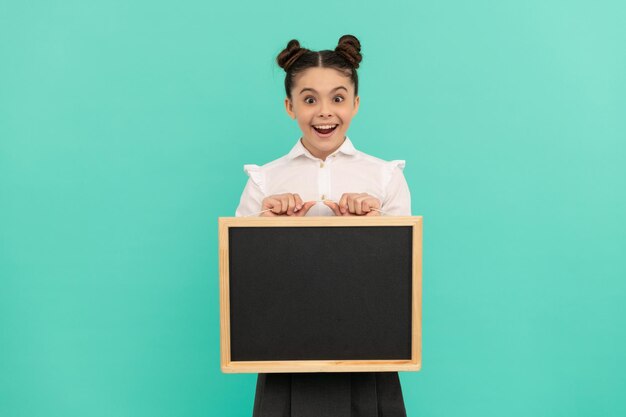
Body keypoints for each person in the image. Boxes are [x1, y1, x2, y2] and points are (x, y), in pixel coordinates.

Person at [235, 35, 411, 417]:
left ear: (356, 104)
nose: (324, 112)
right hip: (286, 352)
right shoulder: (264, 181)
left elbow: (399, 281)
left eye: (338, 98)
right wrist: (267, 227)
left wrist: (374, 227)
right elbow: (245, 284)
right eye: (309, 99)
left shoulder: (385, 178)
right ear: (289, 106)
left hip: (367, 351)